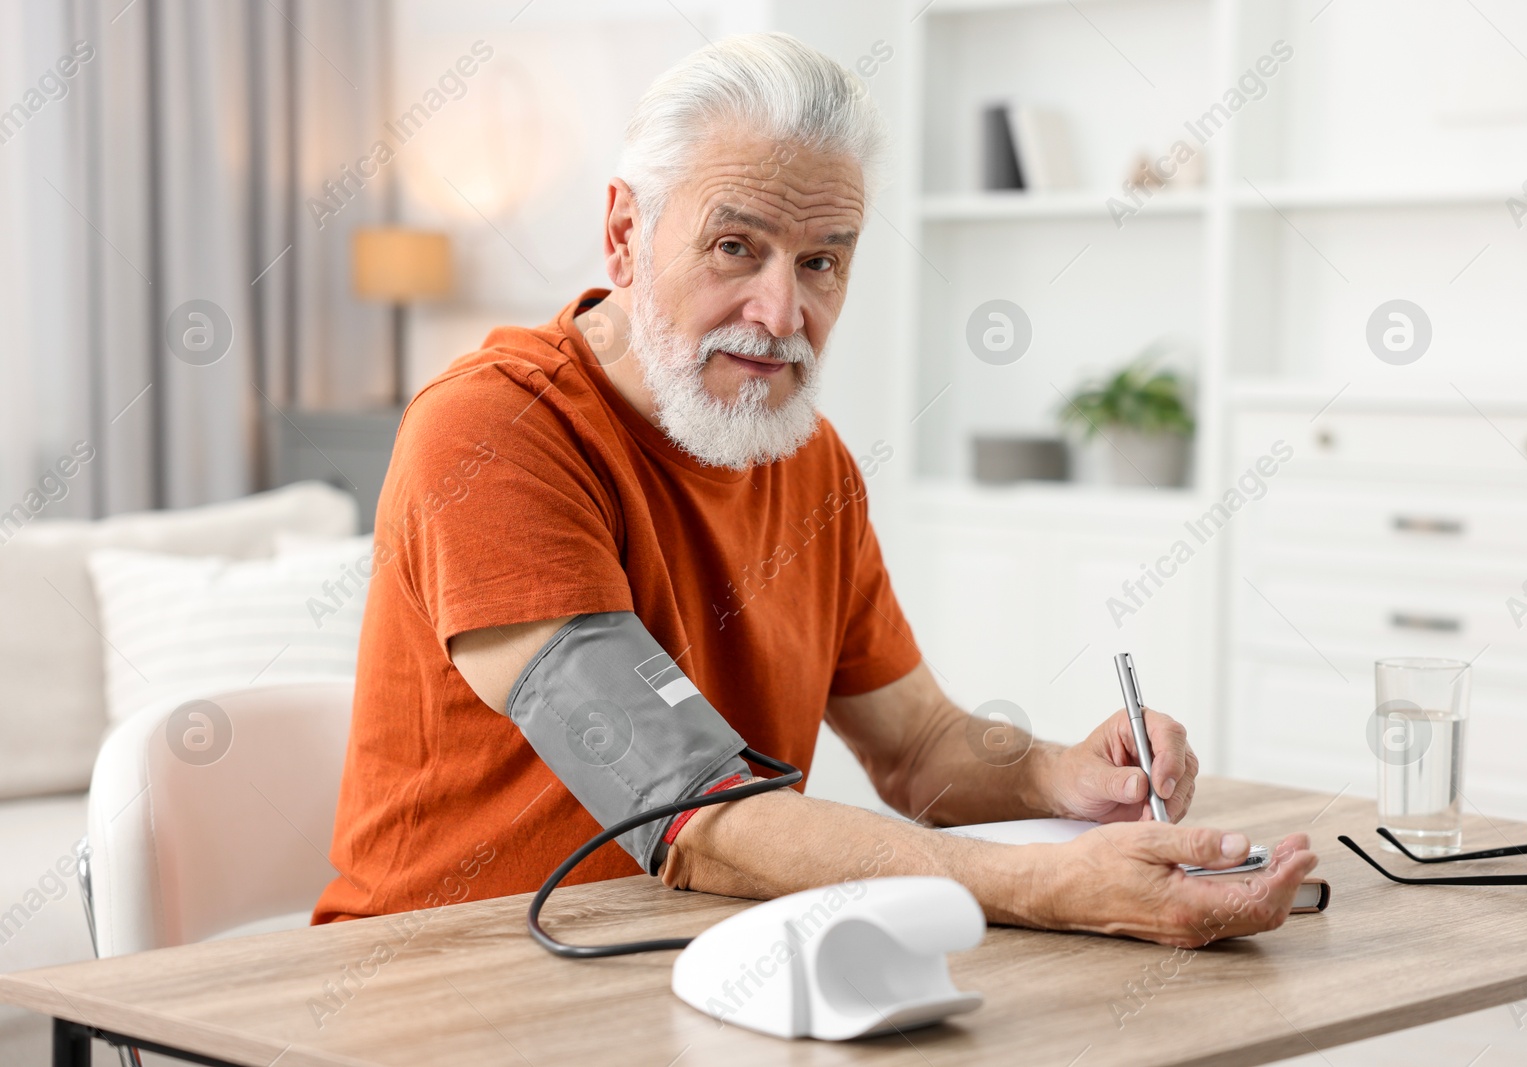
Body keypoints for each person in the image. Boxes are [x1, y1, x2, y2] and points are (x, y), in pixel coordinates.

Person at [312, 32, 1316, 949]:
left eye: (822, 261)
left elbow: (919, 744)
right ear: (623, 235)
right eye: (735, 246)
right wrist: (1049, 881)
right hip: (435, 989)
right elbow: (678, 806)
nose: (780, 312)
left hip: (688, 973)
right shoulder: (495, 432)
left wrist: (1062, 772)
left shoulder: (805, 454)